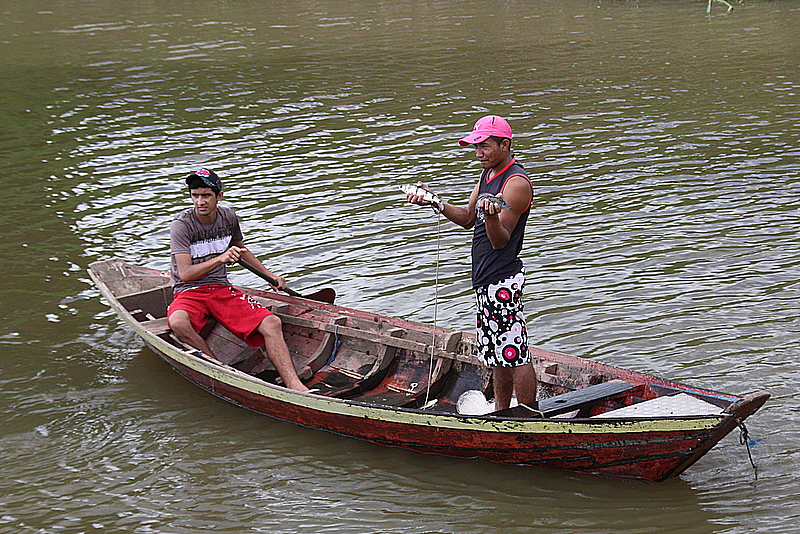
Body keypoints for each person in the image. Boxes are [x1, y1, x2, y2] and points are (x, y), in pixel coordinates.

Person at [405, 115, 537, 411]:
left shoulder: (516, 182)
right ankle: (502, 412)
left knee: (517, 352)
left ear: (505, 144)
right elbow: (467, 218)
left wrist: (490, 216)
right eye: (475, 147)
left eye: (484, 146)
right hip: (485, 278)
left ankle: (530, 416)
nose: (478, 153)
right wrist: (435, 202)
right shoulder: (486, 176)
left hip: (502, 277)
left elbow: (501, 239)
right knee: (499, 354)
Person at [167, 168, 309, 392]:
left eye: (206, 195)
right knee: (177, 323)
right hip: (189, 291)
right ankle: (218, 369)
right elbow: (185, 274)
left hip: (220, 288)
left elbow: (241, 249)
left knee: (272, 323)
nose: (200, 201)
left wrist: (270, 276)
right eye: (195, 195)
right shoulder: (182, 225)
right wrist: (220, 258)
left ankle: (294, 385)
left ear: (219, 196)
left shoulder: (228, 217)